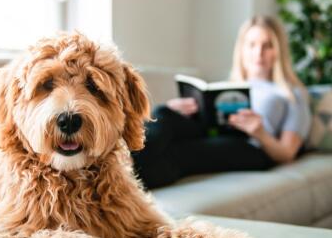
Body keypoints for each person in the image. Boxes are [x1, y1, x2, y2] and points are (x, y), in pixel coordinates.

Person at [132, 15, 312, 189]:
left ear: (278, 51)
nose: (258, 53)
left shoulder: (292, 93)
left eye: (268, 46)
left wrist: (260, 133)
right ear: (242, 50)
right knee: (164, 114)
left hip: (252, 147)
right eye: (252, 45)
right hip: (212, 132)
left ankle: (120, 180)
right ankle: (117, 165)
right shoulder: (230, 85)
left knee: (181, 153)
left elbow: (287, 153)